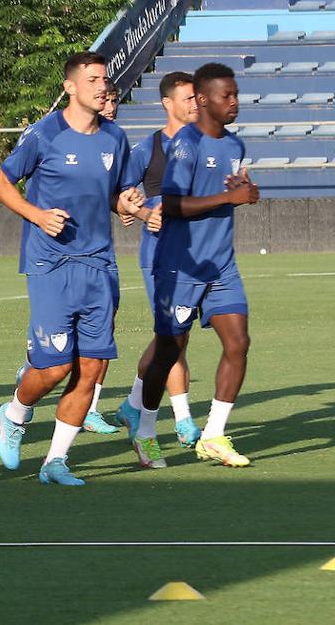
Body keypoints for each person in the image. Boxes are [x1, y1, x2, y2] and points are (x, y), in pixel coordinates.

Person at [0, 51, 142, 487]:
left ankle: (56, 461)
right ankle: (15, 412)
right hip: (51, 263)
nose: (101, 85)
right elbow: (0, 184)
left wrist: (124, 204)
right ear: (71, 86)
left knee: (91, 369)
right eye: (93, 78)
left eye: (104, 78)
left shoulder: (115, 137)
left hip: (100, 265)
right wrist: (37, 215)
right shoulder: (45, 133)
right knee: (55, 368)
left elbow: (112, 192)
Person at [132, 63, 258, 469]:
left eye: (236, 94)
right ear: (203, 100)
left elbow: (230, 190)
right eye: (227, 95)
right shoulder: (186, 145)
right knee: (170, 351)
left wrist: (243, 191)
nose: (235, 102)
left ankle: (214, 435)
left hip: (221, 265)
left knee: (238, 342)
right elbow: (169, 204)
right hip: (180, 265)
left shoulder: (235, 146)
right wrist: (228, 200)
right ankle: (146, 431)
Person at [112, 73, 202, 447]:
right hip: (161, 256)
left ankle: (134, 402)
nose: (195, 104)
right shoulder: (149, 149)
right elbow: (121, 195)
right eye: (187, 98)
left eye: (197, 98)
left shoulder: (209, 144)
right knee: (172, 337)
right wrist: (141, 209)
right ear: (167, 103)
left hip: (199, 257)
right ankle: (183, 420)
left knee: (176, 339)